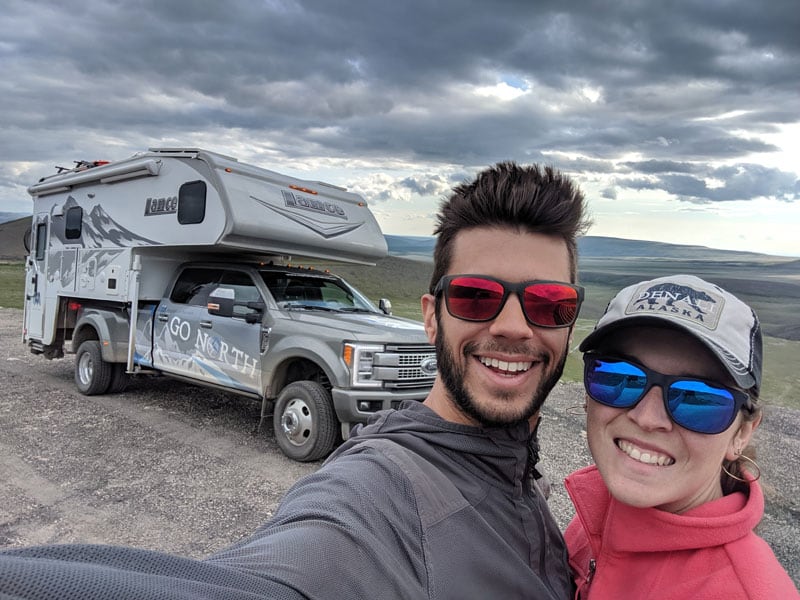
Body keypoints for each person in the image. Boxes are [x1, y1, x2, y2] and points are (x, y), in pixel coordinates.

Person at [0, 161, 591, 599]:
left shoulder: (523, 478)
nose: (514, 327)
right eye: (476, 296)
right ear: (432, 316)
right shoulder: (377, 495)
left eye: (549, 304)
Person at [564, 274, 799, 599]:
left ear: (742, 433)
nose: (647, 418)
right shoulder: (599, 512)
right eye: (620, 377)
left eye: (696, 398)